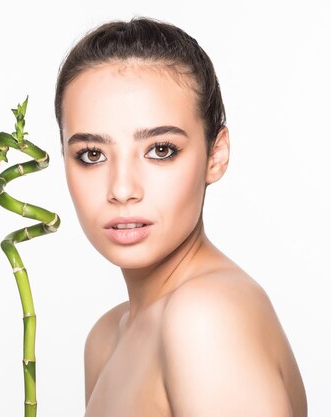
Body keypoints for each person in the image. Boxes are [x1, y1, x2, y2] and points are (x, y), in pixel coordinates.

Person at [54, 16, 307, 417]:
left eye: (160, 150)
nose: (122, 189)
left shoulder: (205, 317)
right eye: (92, 154)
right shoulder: (105, 339)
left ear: (216, 155)